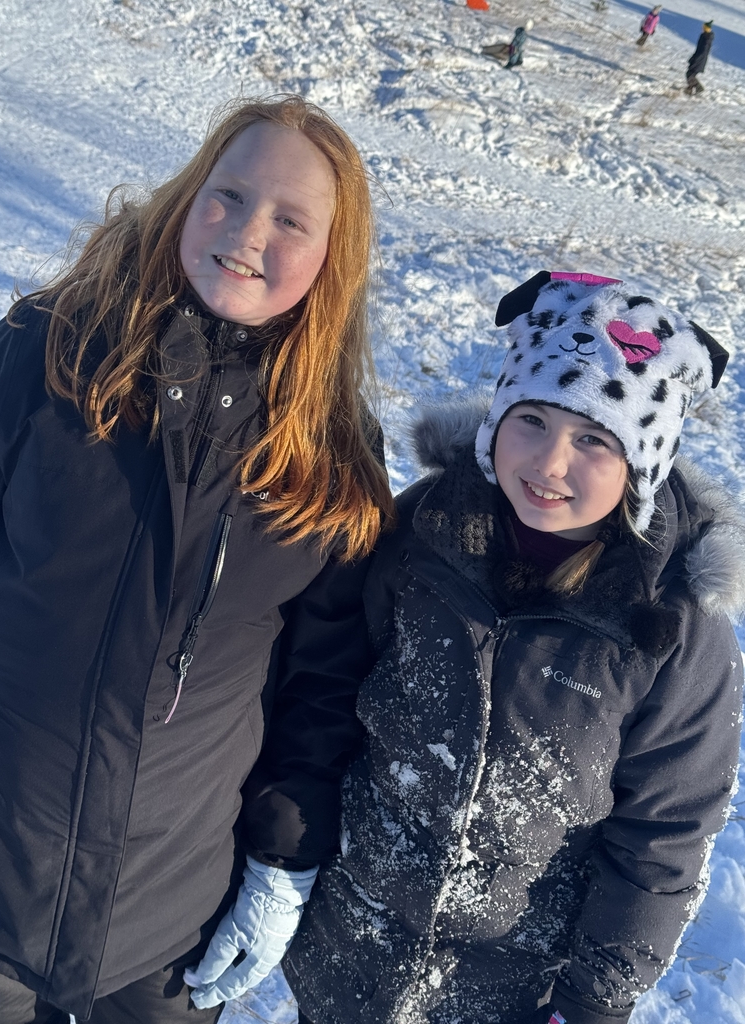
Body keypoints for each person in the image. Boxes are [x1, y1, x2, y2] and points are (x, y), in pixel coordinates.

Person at [0, 94, 394, 1024]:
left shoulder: (327, 451)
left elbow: (320, 686)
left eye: (291, 220)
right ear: (188, 196)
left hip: (167, 923)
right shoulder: (50, 351)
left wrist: (283, 860)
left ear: (333, 258)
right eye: (229, 195)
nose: (247, 234)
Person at [278, 271, 744, 1024]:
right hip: (352, 952)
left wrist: (595, 1001)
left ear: (643, 463)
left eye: (593, 439)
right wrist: (287, 852)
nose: (550, 464)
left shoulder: (670, 622)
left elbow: (665, 832)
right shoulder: (424, 531)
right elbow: (329, 691)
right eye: (531, 420)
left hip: (510, 990)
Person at [686, 20, 714, 94]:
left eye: (703, 27)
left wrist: (696, 59)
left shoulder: (707, 38)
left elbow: (703, 51)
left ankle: (698, 88)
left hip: (700, 60)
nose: (702, 28)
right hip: (697, 58)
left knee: (690, 74)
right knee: (690, 74)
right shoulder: (704, 35)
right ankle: (689, 89)